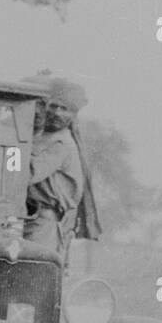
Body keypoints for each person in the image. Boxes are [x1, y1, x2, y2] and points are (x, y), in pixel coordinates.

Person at [24, 76, 101, 268]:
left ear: (73, 115)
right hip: (27, 216)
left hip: (43, 222)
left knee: (31, 273)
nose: (57, 113)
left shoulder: (60, 143)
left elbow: (26, 174)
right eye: (53, 106)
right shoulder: (40, 136)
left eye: (64, 109)